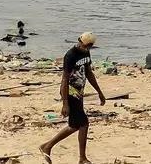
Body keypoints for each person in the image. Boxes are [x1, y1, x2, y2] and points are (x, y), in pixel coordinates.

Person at [39, 32, 105, 164]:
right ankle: (80, 157)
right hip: (70, 92)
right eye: (86, 45)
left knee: (76, 125)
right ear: (80, 42)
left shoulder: (86, 53)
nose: (87, 48)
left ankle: (48, 146)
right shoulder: (70, 55)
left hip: (79, 92)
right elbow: (64, 79)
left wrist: (99, 91)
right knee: (83, 124)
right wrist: (65, 103)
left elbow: (89, 73)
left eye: (90, 46)